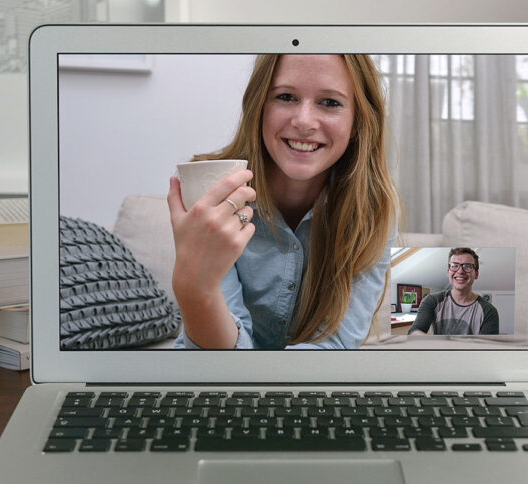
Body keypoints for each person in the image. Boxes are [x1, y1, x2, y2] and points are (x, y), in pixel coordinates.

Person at [167, 54, 398, 349]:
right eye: (286, 96)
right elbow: (220, 360)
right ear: (259, 107)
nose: (303, 121)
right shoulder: (210, 188)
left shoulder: (373, 209)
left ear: (357, 122)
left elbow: (333, 346)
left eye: (330, 102)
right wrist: (196, 290)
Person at [407, 248, 499, 336]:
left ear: (476, 274)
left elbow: (489, 348)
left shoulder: (489, 311)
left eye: (467, 266)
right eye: (454, 265)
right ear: (448, 272)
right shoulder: (431, 301)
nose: (460, 271)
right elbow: (414, 332)